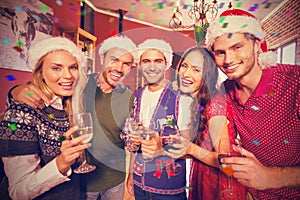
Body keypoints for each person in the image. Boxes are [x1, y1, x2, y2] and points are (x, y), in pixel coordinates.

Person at [8, 35, 137, 200]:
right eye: (114, 59)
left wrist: (131, 171)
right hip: (81, 180)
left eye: (126, 64)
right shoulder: (78, 86)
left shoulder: (130, 97)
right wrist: (15, 91)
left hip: (115, 180)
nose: (119, 68)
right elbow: (42, 92)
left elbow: (130, 138)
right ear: (102, 58)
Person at [205, 9, 300, 199]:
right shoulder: (226, 90)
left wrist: (271, 177)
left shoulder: (294, 82)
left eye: (237, 47)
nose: (229, 60)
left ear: (257, 44)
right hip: (249, 194)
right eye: (220, 52)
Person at [0, 36, 89, 199]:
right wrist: (61, 163)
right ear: (40, 73)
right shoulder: (21, 113)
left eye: (73, 67)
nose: (68, 75)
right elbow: (18, 192)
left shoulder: (69, 106)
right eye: (56, 68)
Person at [165, 46, 247, 199]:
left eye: (196, 70)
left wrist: (190, 149)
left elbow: (226, 161)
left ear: (207, 75)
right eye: (184, 66)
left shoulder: (215, 105)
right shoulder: (197, 102)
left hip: (222, 183)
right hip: (204, 175)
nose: (186, 73)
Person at [122, 39, 193, 200]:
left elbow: (188, 146)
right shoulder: (137, 96)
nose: (152, 67)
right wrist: (131, 176)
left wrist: (161, 149)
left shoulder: (181, 96)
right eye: (146, 61)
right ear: (140, 65)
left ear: (166, 64)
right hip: (140, 183)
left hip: (168, 188)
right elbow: (135, 140)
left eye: (157, 61)